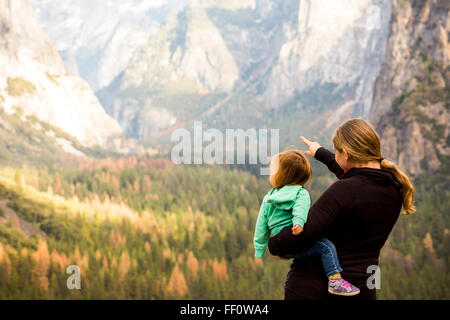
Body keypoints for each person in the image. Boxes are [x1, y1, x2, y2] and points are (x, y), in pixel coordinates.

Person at [268, 118, 415, 300]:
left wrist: (274, 244)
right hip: (363, 289)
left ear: (345, 154)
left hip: (315, 288)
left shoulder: (343, 190)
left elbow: (303, 231)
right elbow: (359, 179)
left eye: (337, 151)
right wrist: (321, 153)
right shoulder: (395, 189)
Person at [253, 149, 360, 296]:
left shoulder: (268, 198)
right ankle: (335, 281)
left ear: (281, 175)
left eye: (273, 171)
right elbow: (300, 210)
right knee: (326, 247)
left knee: (309, 251)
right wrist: (298, 223)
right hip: (295, 238)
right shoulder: (300, 193)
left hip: (281, 246)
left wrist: (259, 251)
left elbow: (261, 226)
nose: (270, 174)